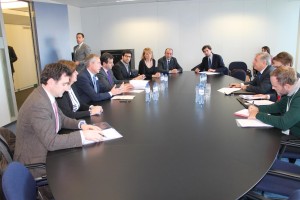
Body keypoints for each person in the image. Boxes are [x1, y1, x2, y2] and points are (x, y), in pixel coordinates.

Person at [14, 63, 104, 175]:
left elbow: (61, 118)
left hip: (45, 150)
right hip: (34, 162)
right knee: (83, 171)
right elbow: (51, 142)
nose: (67, 88)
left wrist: (81, 125)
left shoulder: (46, 94)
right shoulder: (38, 104)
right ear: (51, 82)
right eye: (64, 84)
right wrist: (83, 135)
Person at [248, 67, 300, 137]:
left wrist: (257, 115)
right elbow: (278, 106)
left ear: (287, 86)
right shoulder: (293, 89)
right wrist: (257, 108)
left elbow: (283, 123)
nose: (272, 88)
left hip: (295, 138)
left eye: (275, 86)